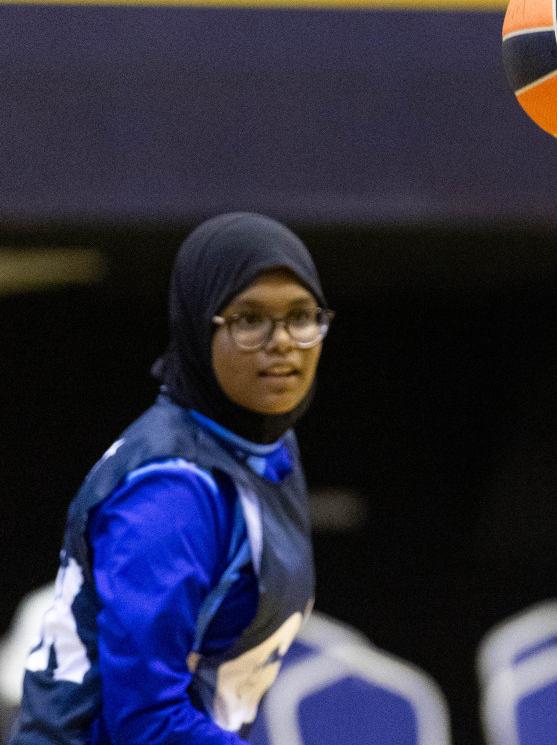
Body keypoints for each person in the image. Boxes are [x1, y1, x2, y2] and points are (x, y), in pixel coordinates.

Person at [11, 213, 331, 745]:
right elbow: (145, 723)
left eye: (302, 316)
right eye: (249, 320)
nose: (283, 342)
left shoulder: (267, 448)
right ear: (197, 325)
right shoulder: (171, 489)